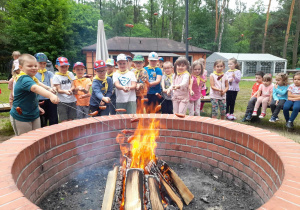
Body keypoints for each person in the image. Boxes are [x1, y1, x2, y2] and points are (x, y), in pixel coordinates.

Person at [9, 54, 59, 136]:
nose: (34, 68)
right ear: (21, 68)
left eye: (36, 66)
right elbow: (35, 88)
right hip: (21, 116)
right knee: (25, 141)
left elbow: (32, 95)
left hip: (33, 115)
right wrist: (51, 95)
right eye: (30, 66)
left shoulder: (32, 78)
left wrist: (37, 106)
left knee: (35, 138)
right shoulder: (24, 79)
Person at [35, 53, 58, 126]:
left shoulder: (49, 73)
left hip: (50, 99)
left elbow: (52, 82)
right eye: (40, 63)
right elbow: (37, 83)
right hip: (40, 99)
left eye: (44, 63)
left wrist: (53, 88)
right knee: (42, 119)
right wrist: (48, 88)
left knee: (53, 118)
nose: (42, 65)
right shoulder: (33, 74)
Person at [53, 57, 77, 122]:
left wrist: (71, 90)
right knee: (64, 120)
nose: (64, 69)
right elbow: (58, 90)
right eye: (62, 67)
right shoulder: (56, 76)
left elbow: (73, 85)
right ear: (56, 66)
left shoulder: (70, 74)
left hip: (72, 100)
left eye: (66, 67)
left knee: (71, 119)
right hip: (62, 101)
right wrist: (65, 92)